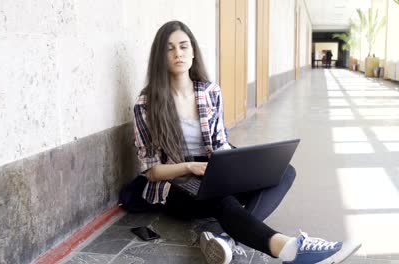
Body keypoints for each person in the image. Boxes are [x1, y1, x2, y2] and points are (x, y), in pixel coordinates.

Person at [133, 20, 361, 264]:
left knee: (283, 172)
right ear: (160, 56)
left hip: (214, 169)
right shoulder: (146, 104)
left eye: (183, 46)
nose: (178, 53)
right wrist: (190, 167)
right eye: (169, 48)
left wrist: (235, 167)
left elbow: (220, 144)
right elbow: (152, 171)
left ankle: (226, 239)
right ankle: (289, 249)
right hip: (176, 186)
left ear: (193, 52)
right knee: (221, 198)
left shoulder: (210, 92)